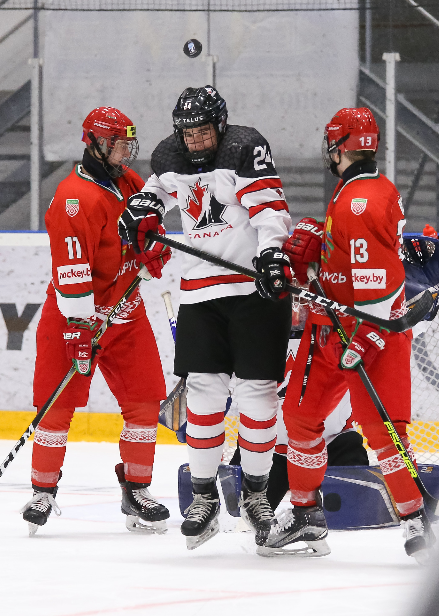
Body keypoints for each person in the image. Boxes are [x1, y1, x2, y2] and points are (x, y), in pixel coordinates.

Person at [118, 85, 292, 549]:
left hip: (253, 291)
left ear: (220, 124)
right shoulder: (170, 156)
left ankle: (256, 494)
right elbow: (153, 194)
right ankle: (204, 497)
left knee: (257, 395)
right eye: (188, 133)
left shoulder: (243, 149)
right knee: (203, 393)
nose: (195, 140)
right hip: (199, 295)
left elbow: (271, 209)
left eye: (203, 131)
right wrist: (142, 211)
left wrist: (273, 254)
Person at [261, 107, 436, 563]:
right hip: (335, 327)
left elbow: (378, 283)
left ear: (340, 147)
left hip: (367, 333)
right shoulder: (364, 191)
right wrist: (322, 247)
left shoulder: (359, 201)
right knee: (301, 415)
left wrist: (365, 341)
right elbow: (358, 263)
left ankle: (415, 515)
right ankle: (305, 513)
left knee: (381, 431)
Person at [21, 107, 171, 536]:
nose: (127, 150)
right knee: (56, 407)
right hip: (74, 319)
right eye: (119, 143)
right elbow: (72, 272)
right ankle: (43, 492)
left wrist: (152, 250)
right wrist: (78, 326)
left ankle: (137, 489)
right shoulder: (74, 199)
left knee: (144, 402)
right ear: (95, 143)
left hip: (126, 316)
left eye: (129, 143)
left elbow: (149, 228)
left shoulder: (129, 181)